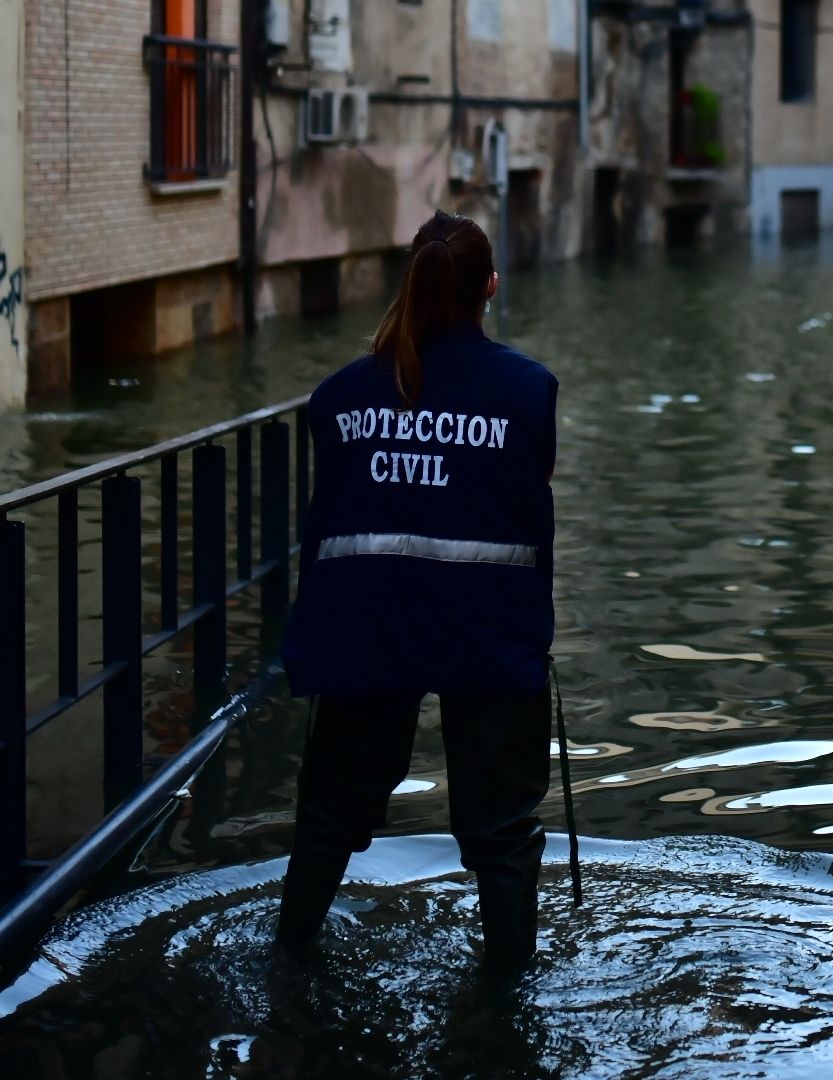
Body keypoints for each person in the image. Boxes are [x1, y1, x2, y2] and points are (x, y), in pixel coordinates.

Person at [276, 210, 559, 974]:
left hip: (368, 628)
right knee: (500, 832)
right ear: (489, 289)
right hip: (488, 632)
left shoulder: (339, 398)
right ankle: (507, 1000)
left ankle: (288, 958)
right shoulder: (529, 391)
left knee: (331, 815)